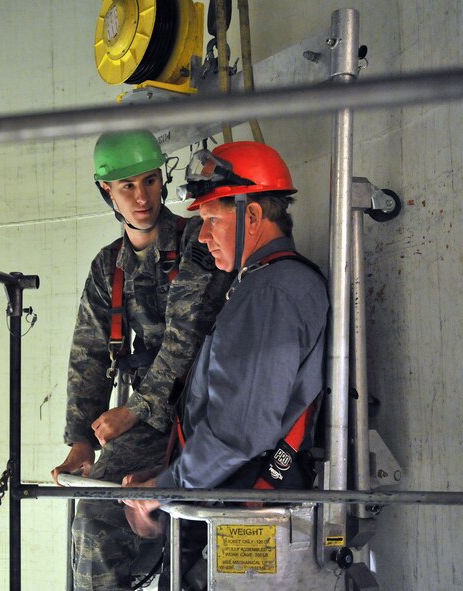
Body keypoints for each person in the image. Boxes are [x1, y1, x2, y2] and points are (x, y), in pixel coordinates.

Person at [122, 141, 329, 547]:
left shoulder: (271, 291)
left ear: (252, 216)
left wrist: (167, 489)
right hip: (230, 490)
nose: (201, 236)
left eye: (212, 219)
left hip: (245, 498)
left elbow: (240, 430)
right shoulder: (263, 283)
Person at [51, 130, 231, 590]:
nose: (141, 197)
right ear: (106, 191)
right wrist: (81, 441)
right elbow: (88, 356)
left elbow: (185, 338)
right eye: (127, 186)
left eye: (150, 181)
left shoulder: (199, 239)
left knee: (199, 536)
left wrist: (133, 410)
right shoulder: (107, 266)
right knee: (93, 521)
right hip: (148, 423)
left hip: (207, 409)